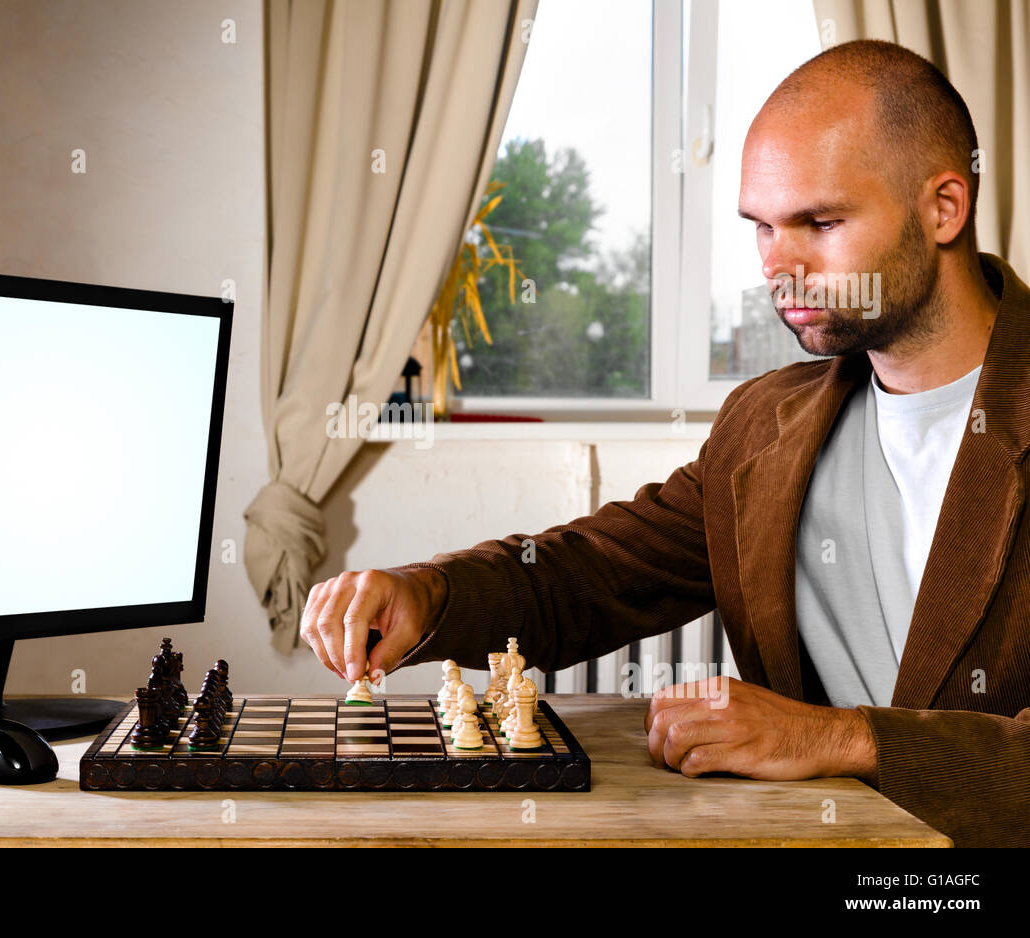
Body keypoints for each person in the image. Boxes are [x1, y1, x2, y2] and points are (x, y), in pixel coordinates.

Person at [298, 40, 1030, 848]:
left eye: (820, 223)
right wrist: (427, 593)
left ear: (945, 207)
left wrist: (835, 736)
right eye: (762, 228)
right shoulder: (762, 424)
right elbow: (586, 576)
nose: (778, 268)